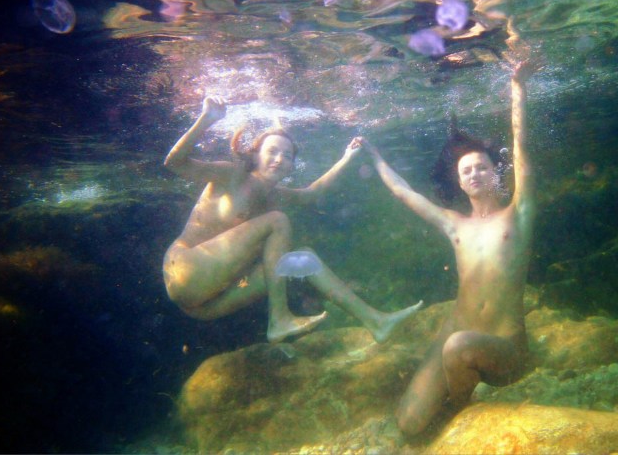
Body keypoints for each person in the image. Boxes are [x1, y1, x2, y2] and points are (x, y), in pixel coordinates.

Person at [360, 52, 537, 435]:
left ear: (496, 173)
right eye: (466, 170)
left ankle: (462, 419)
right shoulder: (455, 225)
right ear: (459, 182)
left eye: (482, 167)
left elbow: (521, 149)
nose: (474, 173)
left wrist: (517, 87)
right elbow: (405, 193)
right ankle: (452, 402)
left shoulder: (517, 215)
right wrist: (374, 157)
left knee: (458, 346)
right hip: (457, 328)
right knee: (408, 424)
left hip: (505, 344)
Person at [163, 96, 422, 343]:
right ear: (255, 155)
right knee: (277, 221)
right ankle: (280, 318)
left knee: (303, 258)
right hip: (185, 270)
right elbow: (175, 163)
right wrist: (207, 119)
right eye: (272, 151)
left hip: (205, 305)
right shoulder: (232, 174)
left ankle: (375, 321)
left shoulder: (276, 195)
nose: (279, 159)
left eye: (287, 156)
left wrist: (347, 157)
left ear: (291, 166)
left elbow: (312, 193)